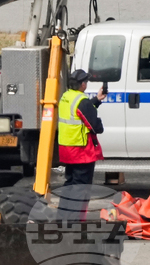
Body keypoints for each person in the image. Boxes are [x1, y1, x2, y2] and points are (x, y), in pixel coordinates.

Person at [57, 69, 107, 220]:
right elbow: (95, 126)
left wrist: (97, 100)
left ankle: (63, 217)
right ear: (82, 84)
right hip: (81, 150)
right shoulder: (82, 101)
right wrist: (98, 120)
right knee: (81, 188)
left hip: (67, 148)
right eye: (86, 82)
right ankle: (74, 221)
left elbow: (80, 111)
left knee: (70, 184)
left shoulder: (66, 96)